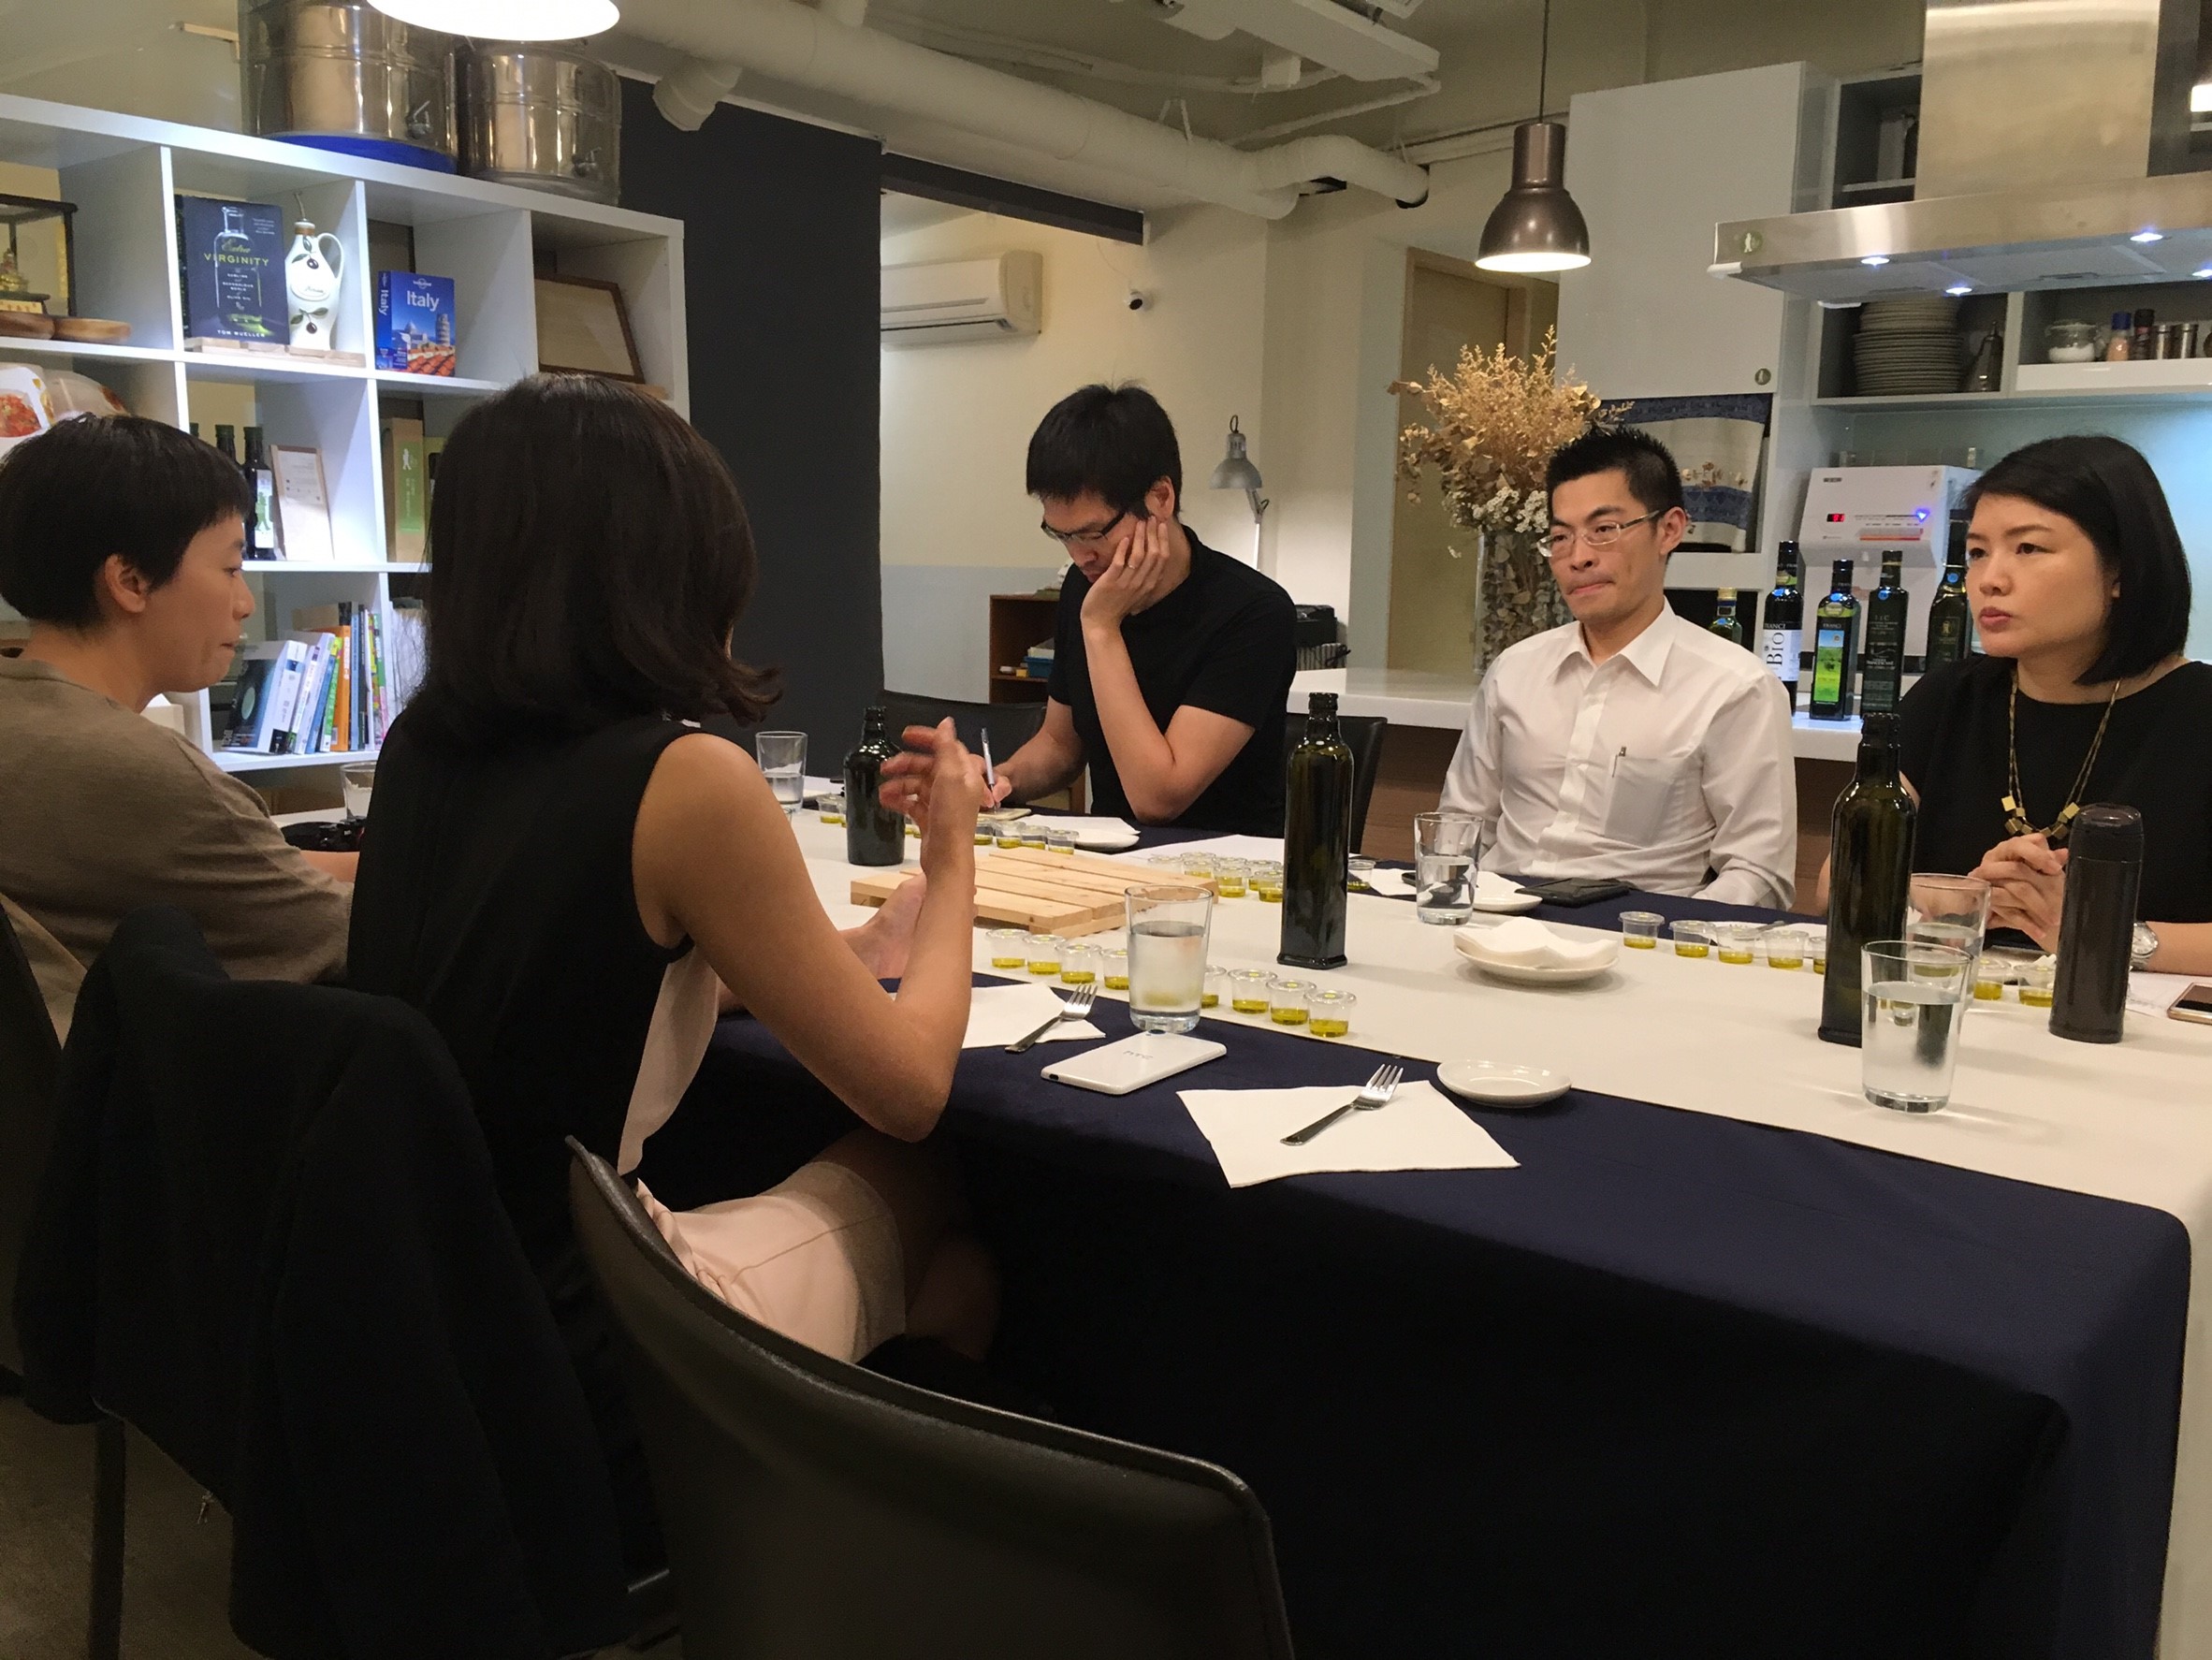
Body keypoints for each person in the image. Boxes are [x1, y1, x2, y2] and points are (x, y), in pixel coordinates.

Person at [344, 375, 996, 1565]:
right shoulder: (686, 779)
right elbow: (911, 1088)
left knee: (931, 1263)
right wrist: (951, 858)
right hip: (582, 1344)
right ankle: (861, 1552)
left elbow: (571, 971)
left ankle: (839, 1492)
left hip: (426, 1317)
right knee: (934, 1186)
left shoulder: (421, 746)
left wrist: (853, 954)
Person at [0, 415, 352, 1036]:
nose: (244, 602)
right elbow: (345, 931)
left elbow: (240, 871)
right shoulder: (136, 768)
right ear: (130, 581)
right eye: (231, 568)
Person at [1886, 434, 2212, 975]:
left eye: (2028, 549)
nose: (1990, 580)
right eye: (1977, 553)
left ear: (2121, 570)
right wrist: (1959, 899)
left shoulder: (2199, 712)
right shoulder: (1948, 698)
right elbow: (1840, 878)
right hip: (1965, 1003)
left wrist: (2095, 932)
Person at [1438, 425, 1797, 907]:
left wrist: (1676, 937)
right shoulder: (1515, 671)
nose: (1578, 558)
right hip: (1499, 917)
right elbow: (1459, 827)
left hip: (1639, 929)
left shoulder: (1735, 686)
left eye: (1604, 531)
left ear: (1669, 530)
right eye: (1560, 537)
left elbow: (1758, 873)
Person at [970, 384, 1297, 836]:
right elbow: (1060, 745)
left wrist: (1102, 628)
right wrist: (1000, 779)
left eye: (1092, 534)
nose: (1079, 556)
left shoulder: (1254, 613)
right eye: (1061, 535)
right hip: (1111, 854)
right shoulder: (1085, 586)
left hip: (1226, 862)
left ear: (1160, 498)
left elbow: (1158, 798)